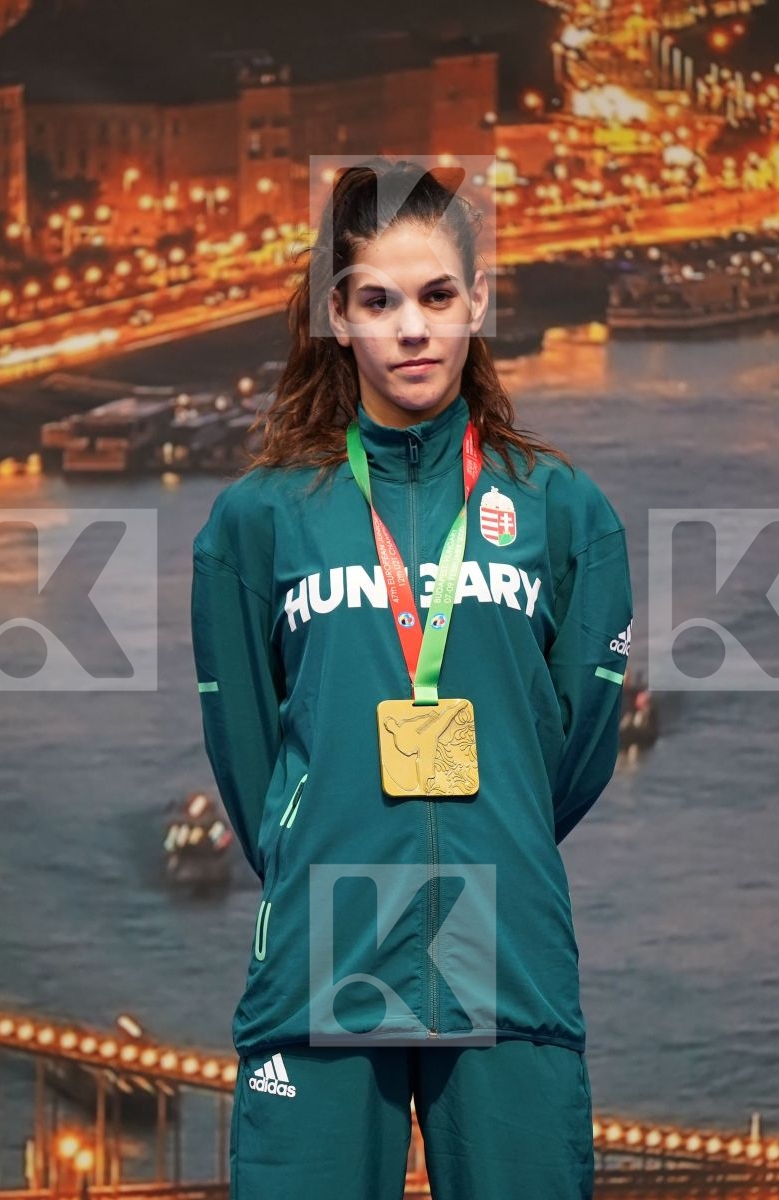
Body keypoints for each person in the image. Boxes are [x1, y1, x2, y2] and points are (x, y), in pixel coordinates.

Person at [191, 157, 634, 1200]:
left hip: (503, 920)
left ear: (478, 302)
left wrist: (493, 820)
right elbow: (249, 753)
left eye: (438, 296)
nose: (414, 328)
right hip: (327, 927)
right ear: (336, 316)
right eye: (379, 301)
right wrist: (324, 836)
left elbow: (572, 753)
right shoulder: (260, 520)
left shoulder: (562, 511)